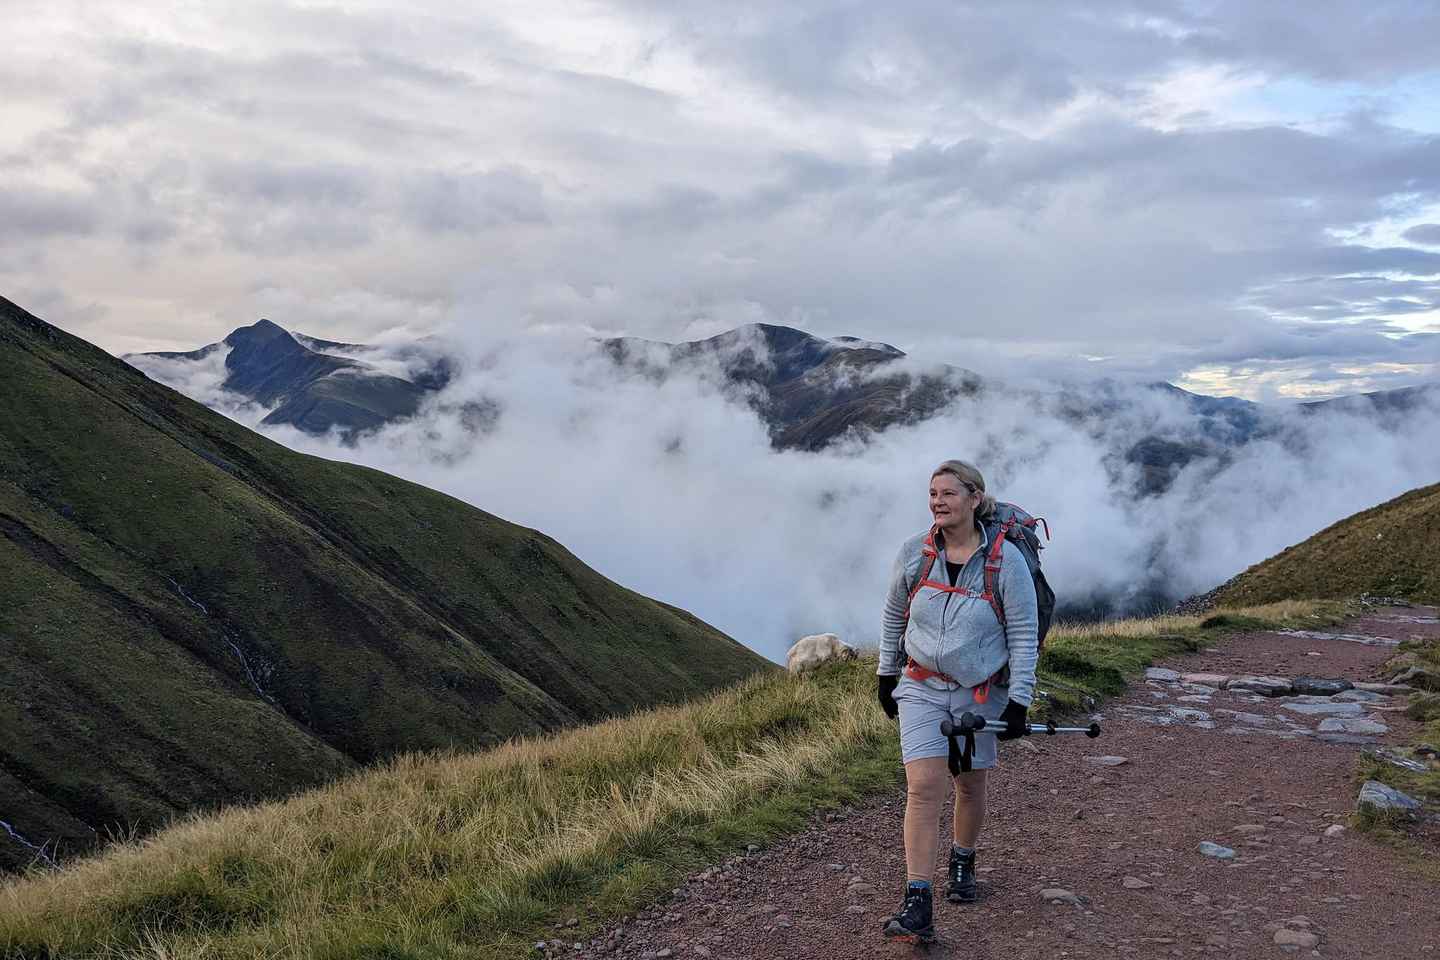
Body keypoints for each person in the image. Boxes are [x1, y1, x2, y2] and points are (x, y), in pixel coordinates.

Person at [875, 459, 1039, 943]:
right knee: (924, 787)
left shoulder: (1003, 561)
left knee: (968, 785)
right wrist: (887, 674)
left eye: (948, 493)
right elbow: (892, 614)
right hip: (921, 686)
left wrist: (1020, 701)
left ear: (974, 499)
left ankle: (963, 860)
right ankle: (917, 900)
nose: (938, 502)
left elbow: (1024, 633)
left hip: (979, 693)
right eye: (932, 494)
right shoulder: (915, 553)